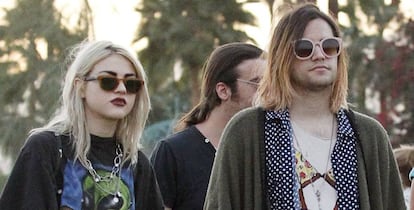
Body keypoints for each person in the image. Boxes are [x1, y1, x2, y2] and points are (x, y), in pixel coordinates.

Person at [204, 3, 405, 210]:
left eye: (329, 46)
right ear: (283, 57)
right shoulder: (247, 131)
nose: (319, 55)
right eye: (304, 48)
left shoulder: (368, 135)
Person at [0, 40, 163, 210]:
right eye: (108, 81)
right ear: (80, 86)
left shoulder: (137, 163)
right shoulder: (46, 149)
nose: (122, 89)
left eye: (131, 84)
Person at [150, 42, 266, 210]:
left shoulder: (266, 148)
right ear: (223, 90)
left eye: (270, 83)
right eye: (257, 84)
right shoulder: (173, 152)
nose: (267, 92)